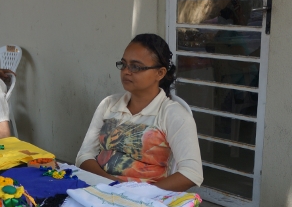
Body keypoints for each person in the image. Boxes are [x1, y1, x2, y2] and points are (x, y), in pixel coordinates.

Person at [75, 33, 203, 192]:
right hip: (100, 189)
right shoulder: (109, 105)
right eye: (124, 64)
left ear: (160, 73)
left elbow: (191, 173)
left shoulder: (173, 114)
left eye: (136, 66)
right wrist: (111, 185)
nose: (126, 72)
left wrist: (141, 194)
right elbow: (84, 156)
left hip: (143, 201)